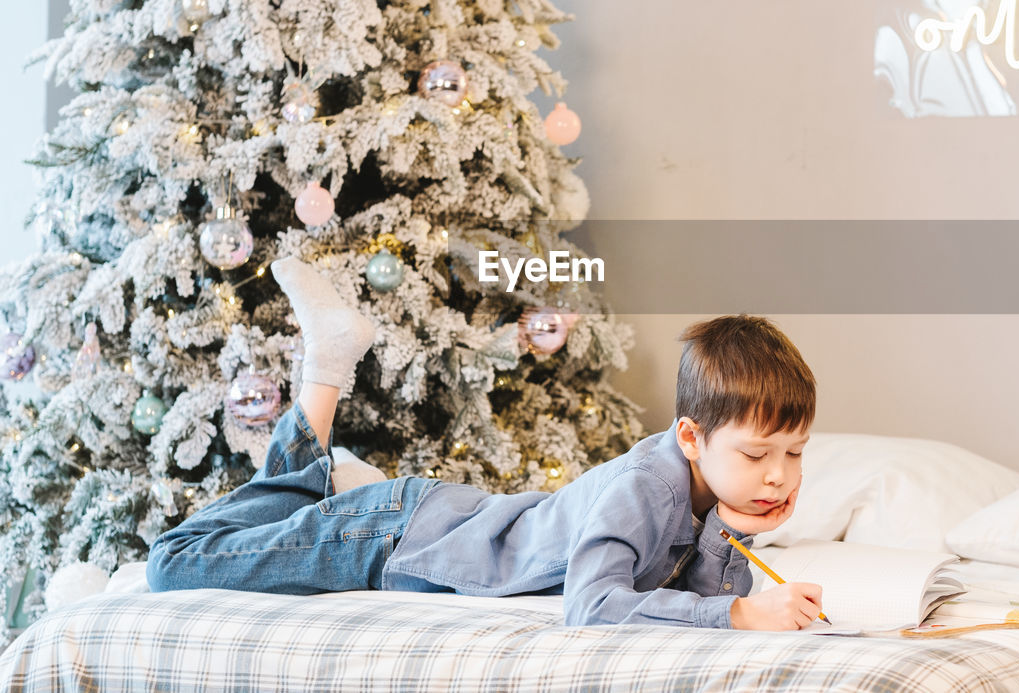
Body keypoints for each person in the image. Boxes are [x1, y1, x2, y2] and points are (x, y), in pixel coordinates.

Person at [147, 257, 822, 630]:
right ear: (690, 438)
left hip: (425, 518)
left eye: (793, 453)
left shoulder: (715, 493)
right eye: (758, 454)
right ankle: (325, 375)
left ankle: (336, 466)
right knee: (171, 563)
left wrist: (729, 532)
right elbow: (593, 604)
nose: (777, 476)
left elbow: (695, 591)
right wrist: (737, 610)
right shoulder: (647, 484)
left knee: (275, 521)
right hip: (389, 538)